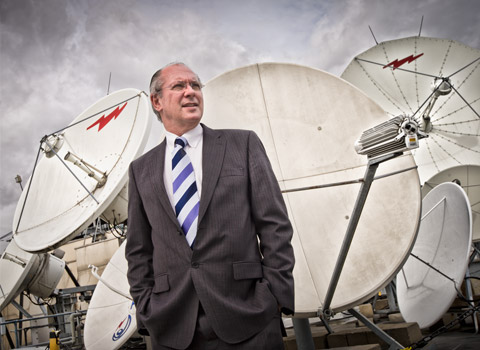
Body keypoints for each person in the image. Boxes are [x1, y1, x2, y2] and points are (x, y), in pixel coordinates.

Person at [126, 62, 295, 349]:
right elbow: (139, 250)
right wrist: (147, 309)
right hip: (173, 327)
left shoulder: (242, 144)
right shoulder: (141, 170)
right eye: (179, 86)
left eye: (195, 85)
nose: (191, 92)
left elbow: (274, 226)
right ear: (157, 101)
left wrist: (274, 295)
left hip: (248, 317)